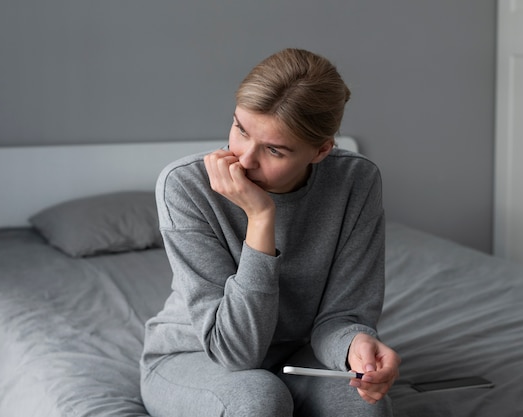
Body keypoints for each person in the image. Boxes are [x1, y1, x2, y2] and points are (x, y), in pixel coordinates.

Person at [140, 48, 400, 417]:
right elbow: (235, 350)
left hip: (300, 356)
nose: (244, 159)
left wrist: (355, 344)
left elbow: (342, 314)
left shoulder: (355, 181)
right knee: (258, 401)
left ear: (321, 150)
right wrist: (261, 218)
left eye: (274, 150)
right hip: (199, 355)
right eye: (240, 130)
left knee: (363, 409)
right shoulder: (185, 186)